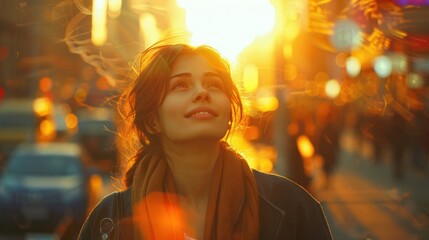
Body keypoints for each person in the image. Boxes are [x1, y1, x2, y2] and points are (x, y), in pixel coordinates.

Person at [78, 42, 332, 240]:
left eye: (213, 84)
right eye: (180, 85)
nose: (202, 92)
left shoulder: (290, 206)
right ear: (153, 120)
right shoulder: (108, 220)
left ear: (229, 117)